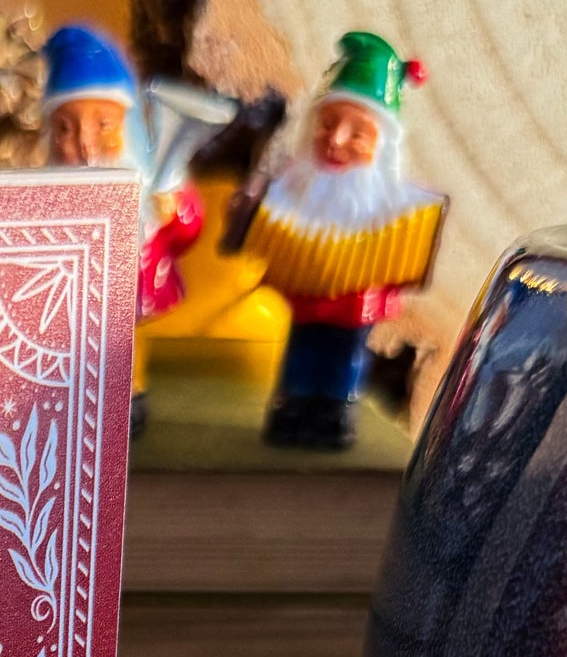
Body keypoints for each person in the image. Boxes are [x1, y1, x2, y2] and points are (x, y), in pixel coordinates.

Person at [236, 31, 445, 449]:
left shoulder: (388, 203)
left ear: (381, 146)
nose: (335, 140)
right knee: (302, 346)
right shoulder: (295, 184)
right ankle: (295, 403)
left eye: (357, 133)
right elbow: (268, 217)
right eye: (328, 124)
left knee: (345, 354)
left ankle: (333, 407)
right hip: (305, 292)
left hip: (354, 300)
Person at [41, 25, 201, 436]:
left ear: (127, 126)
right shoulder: (45, 193)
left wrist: (174, 213)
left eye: (103, 125)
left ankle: (129, 398)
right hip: (68, 312)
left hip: (129, 294)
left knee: (125, 348)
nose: (85, 144)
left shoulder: (154, 184)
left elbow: (185, 235)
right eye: (65, 128)